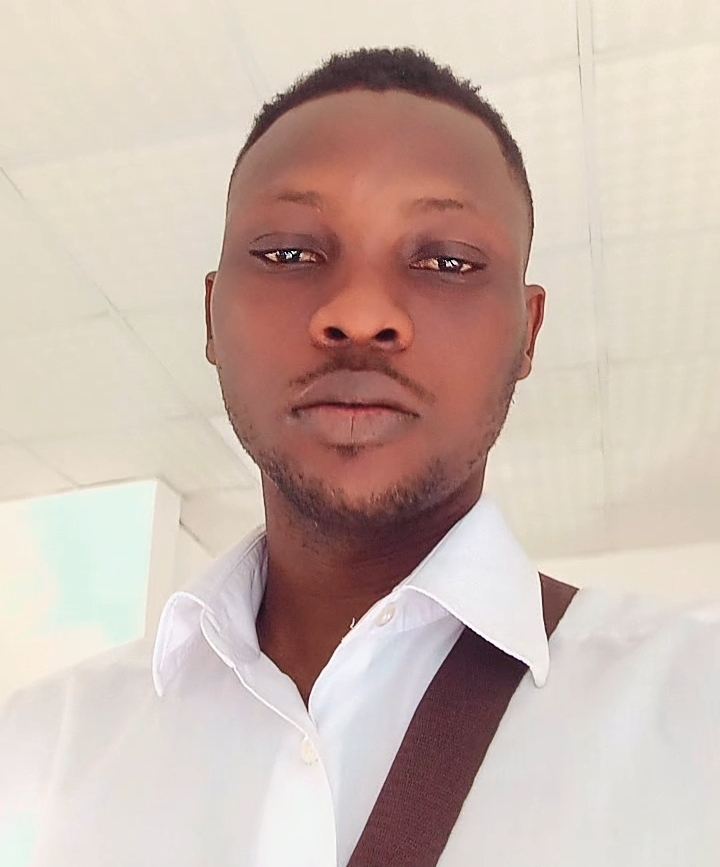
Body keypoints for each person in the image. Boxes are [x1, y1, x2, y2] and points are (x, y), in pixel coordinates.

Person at [1, 47, 719, 867]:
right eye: (289, 253)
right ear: (211, 315)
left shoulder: (697, 713)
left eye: (447, 262)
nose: (360, 311)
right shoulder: (35, 760)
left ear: (528, 333)